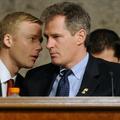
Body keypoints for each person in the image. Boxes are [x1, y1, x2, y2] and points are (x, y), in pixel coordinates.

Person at [24, 2, 120, 96]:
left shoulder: (114, 75)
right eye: (47, 37)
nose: (48, 45)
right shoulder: (34, 78)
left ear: (80, 37)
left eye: (56, 36)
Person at [0, 12, 43, 97]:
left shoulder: (27, 87)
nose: (39, 47)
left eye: (40, 41)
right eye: (32, 39)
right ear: (8, 40)